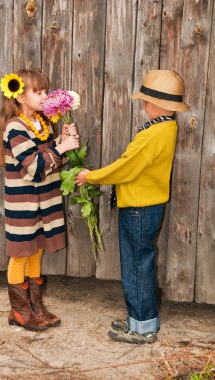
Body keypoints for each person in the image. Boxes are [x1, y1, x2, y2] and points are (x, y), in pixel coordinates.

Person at [75, 70, 190, 344]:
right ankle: (139, 319)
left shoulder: (154, 133)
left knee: (137, 267)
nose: (143, 105)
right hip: (145, 208)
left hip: (139, 210)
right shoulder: (165, 127)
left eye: (146, 101)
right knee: (139, 264)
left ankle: (142, 329)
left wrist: (91, 176)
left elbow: (126, 168)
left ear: (162, 105)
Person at [0, 69, 79, 331]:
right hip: (24, 203)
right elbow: (34, 167)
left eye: (45, 91)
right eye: (38, 91)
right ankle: (20, 311)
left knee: (37, 250)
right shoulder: (14, 128)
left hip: (45, 200)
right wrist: (60, 148)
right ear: (20, 96)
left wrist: (62, 141)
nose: (44, 96)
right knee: (21, 253)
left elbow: (52, 162)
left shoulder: (43, 124)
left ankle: (36, 307)